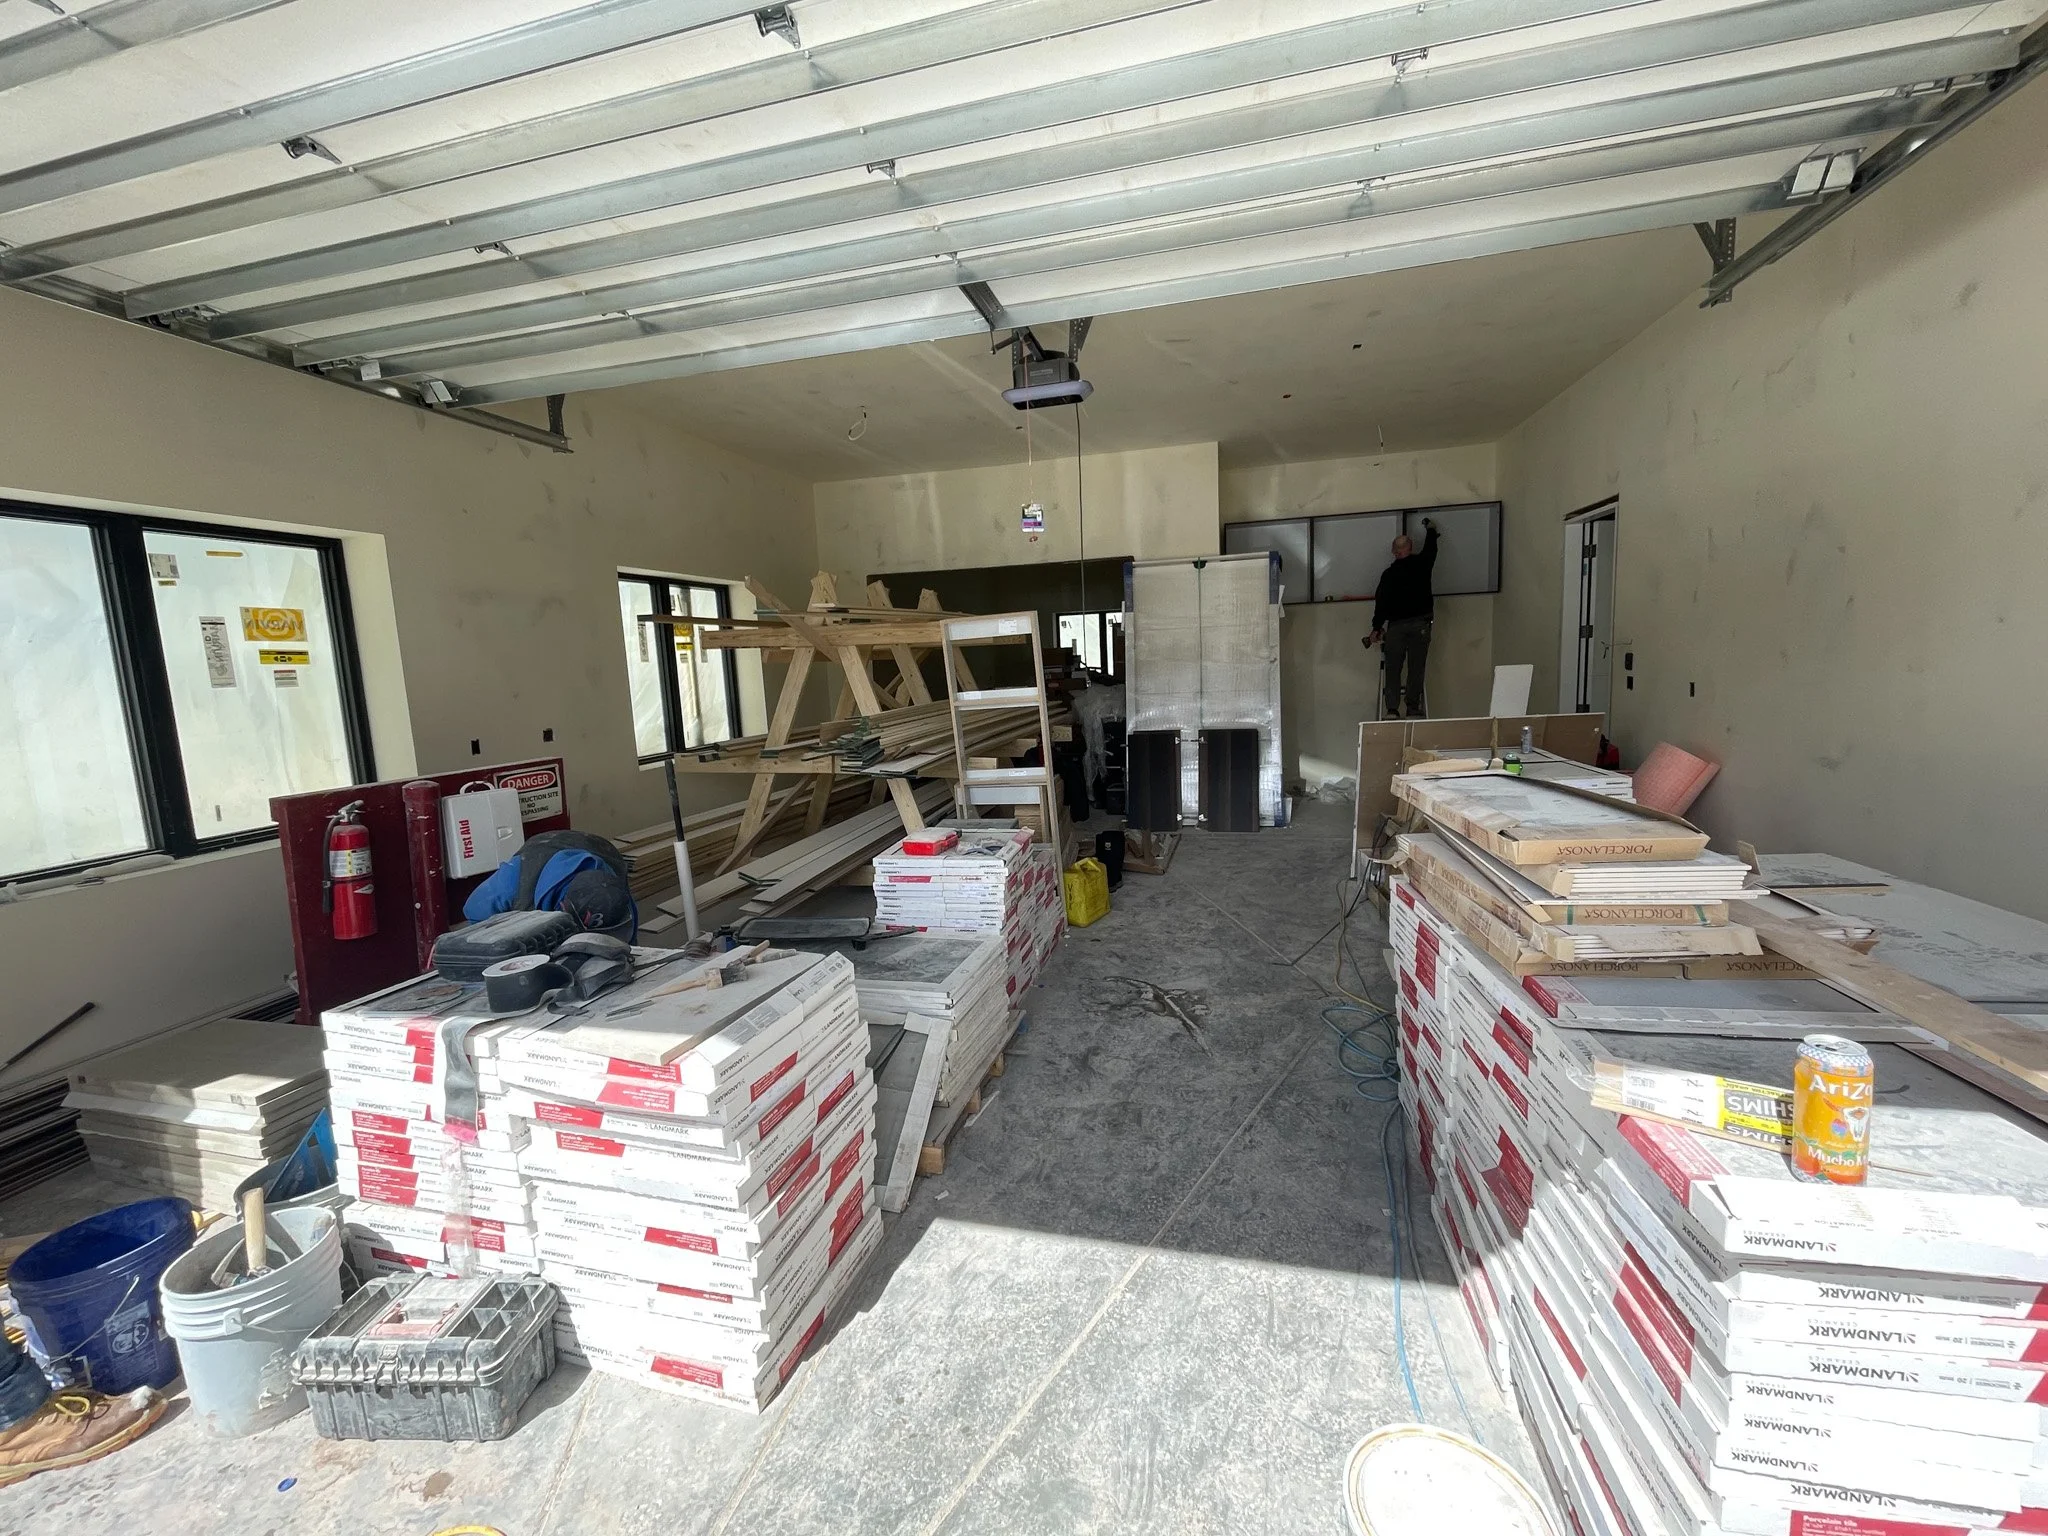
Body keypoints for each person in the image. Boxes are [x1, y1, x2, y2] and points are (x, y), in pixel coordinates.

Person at [1365, 518, 1439, 718]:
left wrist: (1377, 627)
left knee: (1393, 667)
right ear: (1410, 548)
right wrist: (1431, 531)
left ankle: (1392, 709)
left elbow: (1381, 603)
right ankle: (1412, 707)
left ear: (1395, 551)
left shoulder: (1389, 575)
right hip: (1420, 623)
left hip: (1398, 625)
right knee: (1416, 666)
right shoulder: (1422, 564)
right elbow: (1431, 549)